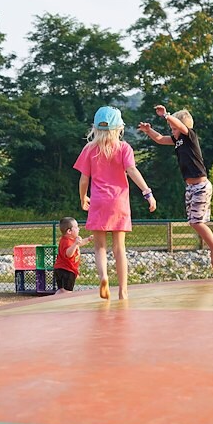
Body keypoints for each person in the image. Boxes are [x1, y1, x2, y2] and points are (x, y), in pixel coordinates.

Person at [75, 106, 157, 300]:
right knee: (119, 248)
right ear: (119, 128)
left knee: (99, 247)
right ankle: (123, 290)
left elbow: (84, 180)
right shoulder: (124, 148)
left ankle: (104, 278)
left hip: (98, 202)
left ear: (95, 127)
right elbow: (133, 171)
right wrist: (148, 193)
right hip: (119, 202)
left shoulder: (89, 149)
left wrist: (82, 197)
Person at [137, 106, 213, 273]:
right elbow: (160, 139)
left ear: (182, 127)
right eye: (172, 129)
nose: (173, 131)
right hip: (192, 187)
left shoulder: (190, 136)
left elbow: (181, 126)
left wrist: (166, 115)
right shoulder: (177, 140)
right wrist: (149, 131)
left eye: (174, 129)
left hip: (200, 186)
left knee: (196, 222)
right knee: (197, 223)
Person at [53, 217, 92, 293]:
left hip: (61, 269)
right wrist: (75, 244)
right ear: (69, 231)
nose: (79, 229)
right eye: (76, 227)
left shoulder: (71, 240)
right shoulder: (67, 242)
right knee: (67, 292)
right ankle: (64, 303)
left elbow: (80, 243)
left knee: (61, 290)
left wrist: (88, 239)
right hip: (67, 270)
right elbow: (68, 254)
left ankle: (55, 300)